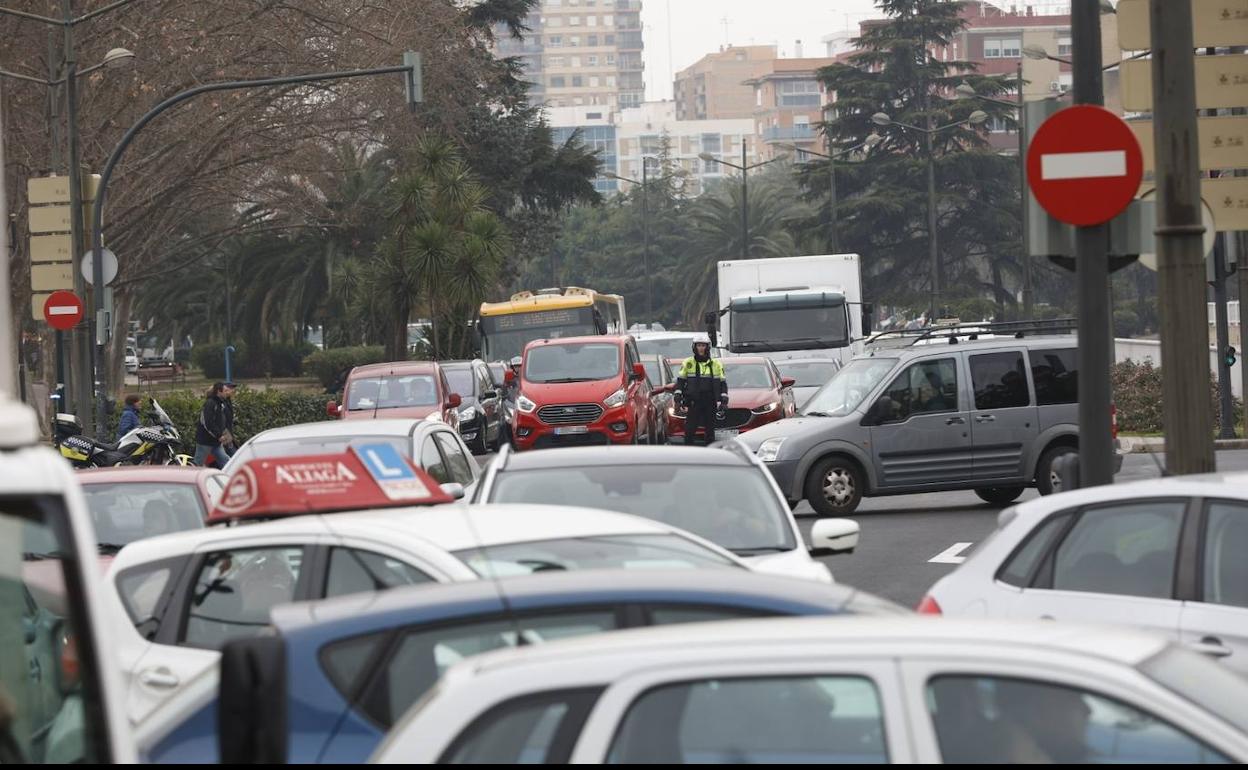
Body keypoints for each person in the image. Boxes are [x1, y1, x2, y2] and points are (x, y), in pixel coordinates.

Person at [674, 341, 727, 447]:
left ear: (708, 347)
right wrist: (678, 396)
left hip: (710, 400)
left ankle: (710, 453)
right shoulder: (688, 362)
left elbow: (722, 383)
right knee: (690, 429)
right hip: (694, 400)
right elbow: (680, 381)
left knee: (710, 429)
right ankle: (689, 453)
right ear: (694, 347)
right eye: (699, 346)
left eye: (703, 346)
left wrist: (724, 399)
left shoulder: (716, 364)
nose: (701, 348)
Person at [194, 382, 236, 467]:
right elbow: (207, 422)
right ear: (219, 392)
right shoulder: (210, 403)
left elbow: (222, 420)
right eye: (225, 391)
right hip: (205, 441)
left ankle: (229, 477)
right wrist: (218, 435)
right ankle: (189, 478)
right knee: (198, 463)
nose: (226, 393)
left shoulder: (220, 403)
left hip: (215, 442)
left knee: (225, 461)